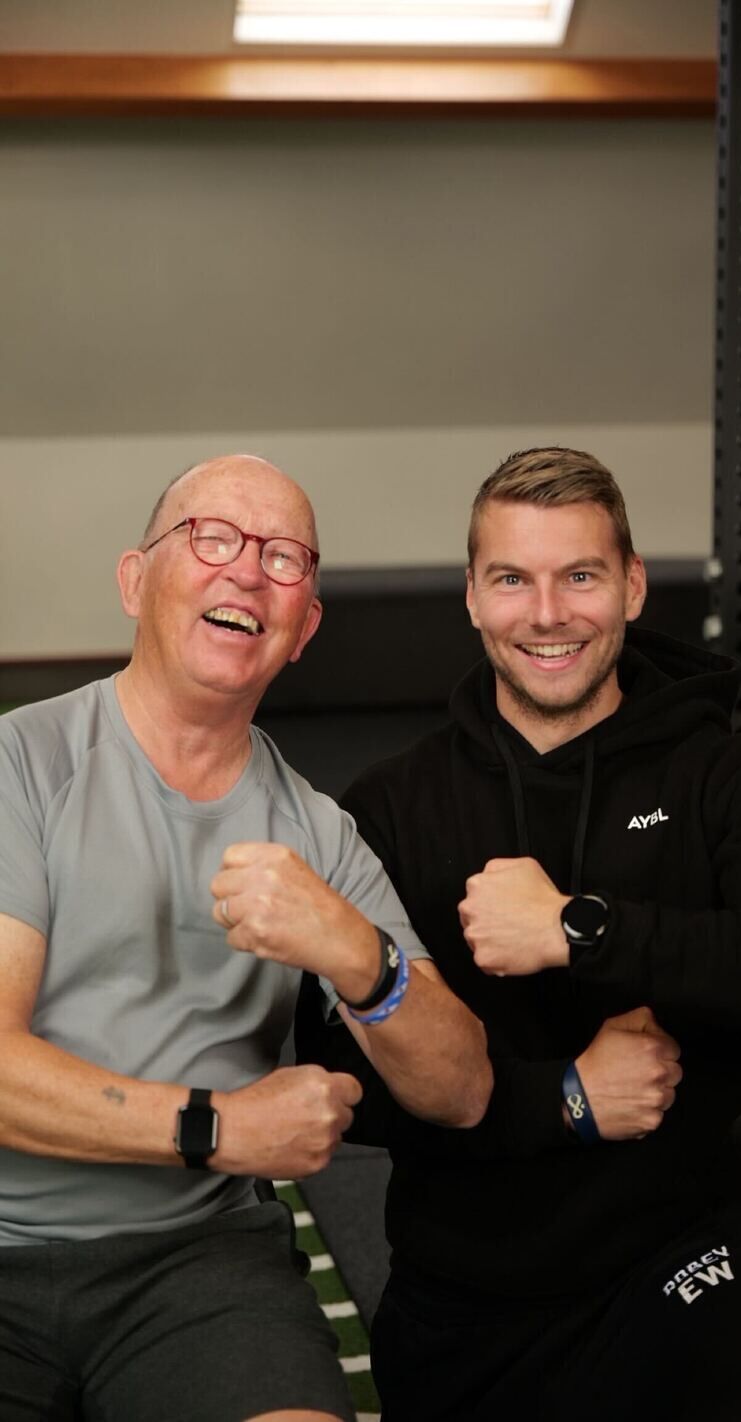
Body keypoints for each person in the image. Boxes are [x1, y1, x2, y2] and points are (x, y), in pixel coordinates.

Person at [296, 446, 741, 1422]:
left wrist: (581, 928)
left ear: (631, 587)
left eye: (579, 576)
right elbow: (341, 1077)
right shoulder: (392, 809)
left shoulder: (724, 777)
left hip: (675, 1252)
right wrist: (562, 1099)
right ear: (471, 598)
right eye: (511, 580)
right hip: (462, 1288)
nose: (546, 613)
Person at [0, 453, 491, 1422]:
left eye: (283, 558)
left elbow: (461, 1089)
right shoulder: (21, 762)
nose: (247, 572)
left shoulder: (319, 834)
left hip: (197, 1266)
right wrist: (216, 1127)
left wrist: (361, 956)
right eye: (212, 538)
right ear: (135, 581)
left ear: (303, 628)